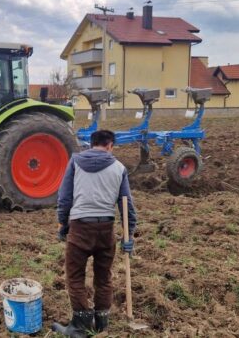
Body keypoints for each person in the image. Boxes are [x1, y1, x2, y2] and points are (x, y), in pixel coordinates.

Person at [52, 130, 137, 337]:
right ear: (110, 146)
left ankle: (80, 327)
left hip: (80, 227)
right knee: (103, 278)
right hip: (106, 229)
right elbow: (126, 204)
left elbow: (64, 198)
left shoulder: (75, 162)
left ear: (92, 144)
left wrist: (63, 225)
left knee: (75, 276)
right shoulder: (119, 168)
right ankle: (101, 324)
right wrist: (129, 235)